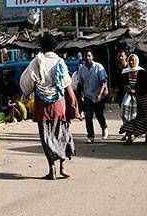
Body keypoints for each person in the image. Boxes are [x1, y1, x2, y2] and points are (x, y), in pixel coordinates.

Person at [20, 33, 80, 180]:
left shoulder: (36, 62)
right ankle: (62, 167)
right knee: (62, 135)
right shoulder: (60, 62)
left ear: (41, 47)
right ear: (54, 47)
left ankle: (51, 169)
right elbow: (67, 86)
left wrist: (26, 95)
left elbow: (26, 83)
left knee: (47, 138)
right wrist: (74, 107)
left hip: (42, 107)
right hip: (59, 106)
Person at [119, 54, 147, 144]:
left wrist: (136, 90)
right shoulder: (125, 72)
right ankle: (129, 137)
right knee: (129, 117)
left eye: (133, 60)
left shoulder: (142, 72)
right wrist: (126, 88)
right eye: (130, 60)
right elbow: (121, 84)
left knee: (145, 116)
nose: (131, 62)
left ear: (137, 61)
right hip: (130, 98)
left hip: (143, 98)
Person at [77, 50, 109, 144]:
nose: (87, 58)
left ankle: (104, 127)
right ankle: (90, 136)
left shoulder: (98, 67)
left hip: (98, 95)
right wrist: (80, 95)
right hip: (88, 96)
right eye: (85, 56)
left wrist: (99, 95)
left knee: (99, 115)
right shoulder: (81, 69)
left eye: (89, 56)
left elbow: (104, 82)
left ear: (92, 57)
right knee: (88, 116)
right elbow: (80, 83)